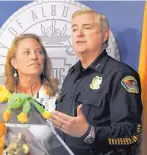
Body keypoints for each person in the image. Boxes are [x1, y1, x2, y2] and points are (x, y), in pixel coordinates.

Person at [51, 8, 142, 155]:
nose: (79, 34)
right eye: (74, 29)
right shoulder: (72, 73)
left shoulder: (120, 75)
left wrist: (89, 132)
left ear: (104, 35)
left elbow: (131, 134)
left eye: (87, 28)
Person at [0, 33, 59, 148]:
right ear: (14, 62)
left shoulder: (56, 98)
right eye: (27, 52)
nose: (34, 57)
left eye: (39, 52)